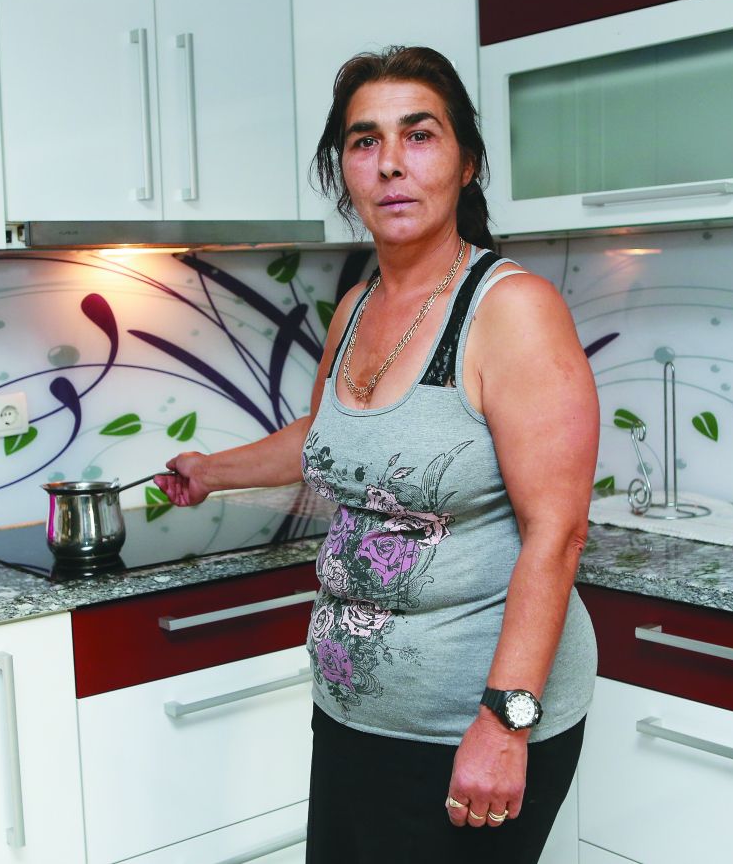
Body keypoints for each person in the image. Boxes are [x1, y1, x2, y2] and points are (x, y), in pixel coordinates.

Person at [155, 45, 599, 864]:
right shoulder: (357, 306)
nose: (391, 162)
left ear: (467, 162)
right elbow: (326, 434)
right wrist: (212, 472)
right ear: (344, 170)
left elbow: (558, 531)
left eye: (419, 135)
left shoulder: (511, 310)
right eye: (365, 141)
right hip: (353, 715)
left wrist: (505, 722)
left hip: (468, 727)